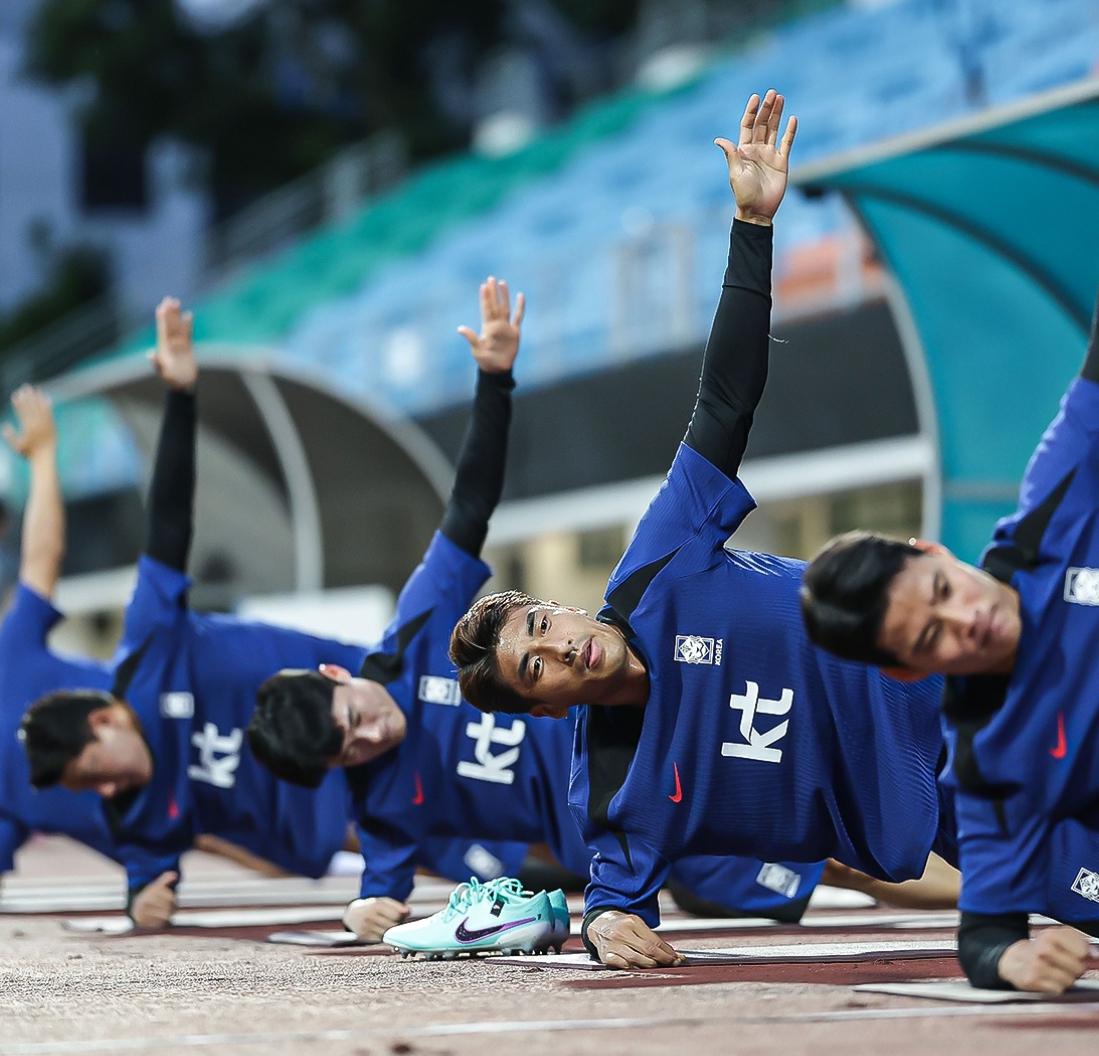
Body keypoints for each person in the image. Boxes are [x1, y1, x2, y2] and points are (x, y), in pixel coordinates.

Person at [449, 90, 960, 970]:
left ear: (556, 608)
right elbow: (612, 898)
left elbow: (724, 401)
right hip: (947, 809)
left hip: (953, 667)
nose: (559, 650)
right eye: (535, 669)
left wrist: (751, 227)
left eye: (542, 627)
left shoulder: (660, 562)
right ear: (544, 709)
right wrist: (607, 926)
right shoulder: (611, 788)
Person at [248, 274, 829, 942]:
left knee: (828, 836)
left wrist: (494, 381)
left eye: (355, 719)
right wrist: (362, 911)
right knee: (791, 858)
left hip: (661, 739)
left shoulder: (417, 630)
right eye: (350, 752)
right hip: (603, 829)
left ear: (335, 675)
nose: (370, 737)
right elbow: (378, 895)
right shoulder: (378, 801)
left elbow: (468, 510)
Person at [19, 298, 511, 925]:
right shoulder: (131, 809)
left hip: (369, 723)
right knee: (481, 859)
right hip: (329, 827)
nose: (107, 791)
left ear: (108, 719)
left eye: (96, 772)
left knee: (501, 784)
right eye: (90, 790)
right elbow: (147, 878)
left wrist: (181, 395)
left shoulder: (151, 642)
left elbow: (168, 520)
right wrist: (143, 900)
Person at [799, 287, 1099, 994]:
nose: (969, 619)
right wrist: (1015, 960)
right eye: (932, 637)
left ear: (933, 552)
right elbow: (984, 937)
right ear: (907, 672)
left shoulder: (1051, 509)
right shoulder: (986, 760)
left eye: (941, 591)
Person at [0, 385, 121, 881]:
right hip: (164, 832)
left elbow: (41, 558)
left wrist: (46, 457)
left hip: (184, 724)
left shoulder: (8, 651)